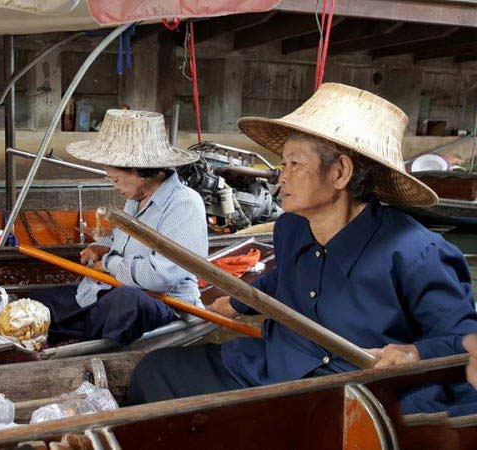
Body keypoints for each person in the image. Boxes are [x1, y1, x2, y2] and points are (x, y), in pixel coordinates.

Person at [128, 83, 477, 416]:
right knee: (155, 371)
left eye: (295, 164)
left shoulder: (417, 253)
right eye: (283, 164)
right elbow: (285, 278)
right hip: (278, 369)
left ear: (340, 172)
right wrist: (236, 301)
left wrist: (414, 353)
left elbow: (464, 339)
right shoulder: (291, 228)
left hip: (353, 391)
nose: (283, 178)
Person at [33, 109, 208, 345]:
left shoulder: (184, 204)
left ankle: (83, 337)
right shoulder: (135, 198)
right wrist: (102, 248)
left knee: (126, 304)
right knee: (38, 304)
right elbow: (121, 241)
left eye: (116, 180)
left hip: (162, 302)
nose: (115, 186)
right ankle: (76, 330)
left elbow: (160, 277)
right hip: (112, 290)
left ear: (141, 171)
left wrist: (108, 263)